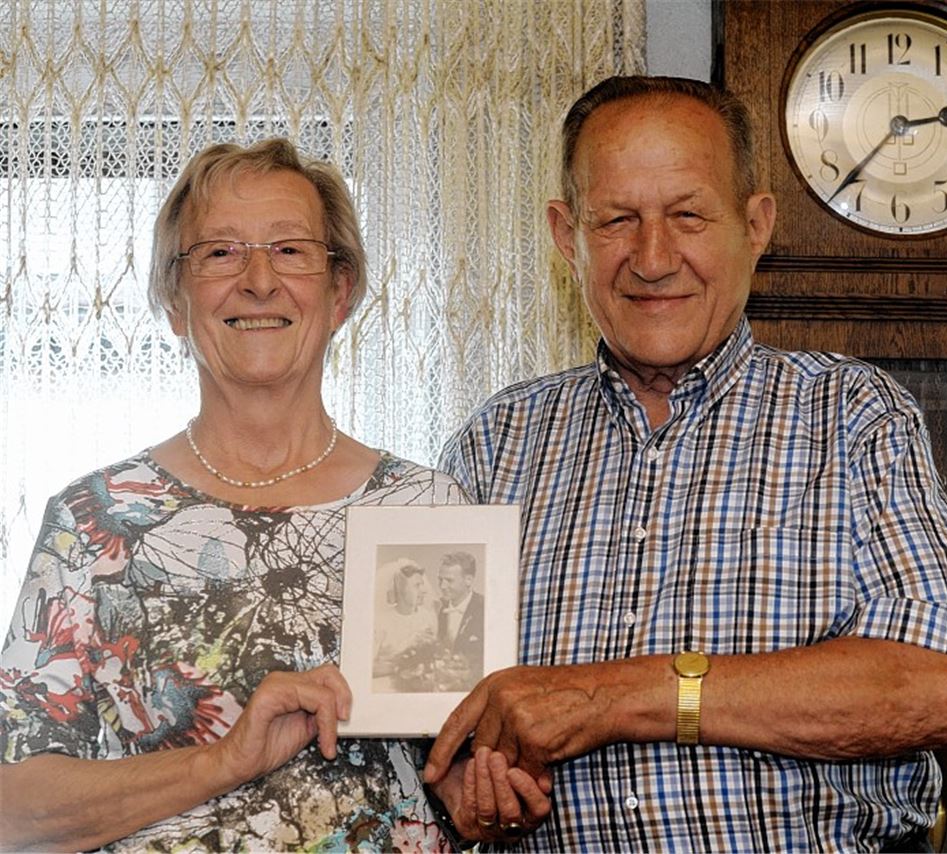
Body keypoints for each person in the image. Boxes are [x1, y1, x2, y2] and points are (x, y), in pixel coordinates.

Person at [425, 76, 947, 850]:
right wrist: (461, 780)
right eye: (617, 220)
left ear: (755, 224)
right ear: (567, 236)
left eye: (689, 216)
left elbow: (943, 691)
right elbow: (427, 703)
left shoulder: (855, 417)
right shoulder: (495, 442)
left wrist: (613, 698)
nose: (653, 258)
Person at [0, 138, 549, 851]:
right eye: (221, 253)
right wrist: (225, 759)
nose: (259, 281)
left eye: (291, 251)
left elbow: (459, 782)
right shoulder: (95, 520)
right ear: (173, 298)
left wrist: (477, 794)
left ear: (340, 291)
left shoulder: (428, 507)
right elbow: (14, 814)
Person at [372, 558, 437, 685]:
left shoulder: (426, 617)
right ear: (401, 589)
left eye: (422, 585)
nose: (424, 591)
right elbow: (366, 667)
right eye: (417, 585)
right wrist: (400, 666)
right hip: (386, 685)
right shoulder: (381, 621)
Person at [437, 551, 485, 682]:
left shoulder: (485, 608)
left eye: (449, 580)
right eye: (440, 580)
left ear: (468, 580)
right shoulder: (437, 607)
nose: (442, 586)